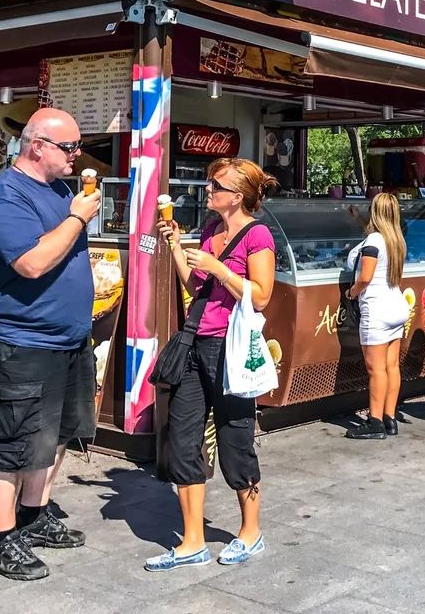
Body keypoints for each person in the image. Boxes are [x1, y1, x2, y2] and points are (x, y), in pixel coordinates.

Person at [0, 109, 101, 581]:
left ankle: (33, 516)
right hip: (18, 344)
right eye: (69, 148)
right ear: (37, 146)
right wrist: (76, 218)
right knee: (10, 445)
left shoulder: (62, 191)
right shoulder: (5, 196)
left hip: (67, 341)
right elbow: (31, 263)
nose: (77, 156)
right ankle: (0, 542)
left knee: (58, 435)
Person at [149, 157, 277, 571]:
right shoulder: (209, 230)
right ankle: (192, 541)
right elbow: (194, 288)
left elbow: (260, 296)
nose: (207, 190)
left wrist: (220, 267)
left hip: (230, 349)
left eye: (215, 186)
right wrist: (175, 247)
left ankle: (250, 532)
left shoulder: (258, 236)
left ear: (236, 196)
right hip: (194, 342)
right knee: (183, 440)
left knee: (235, 441)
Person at [344, 193, 410, 440]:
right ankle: (389, 418)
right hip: (397, 305)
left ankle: (374, 422)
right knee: (392, 366)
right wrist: (359, 219)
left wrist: (351, 293)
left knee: (376, 370)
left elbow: (365, 277)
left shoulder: (373, 240)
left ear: (375, 212)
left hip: (377, 309)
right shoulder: (395, 239)